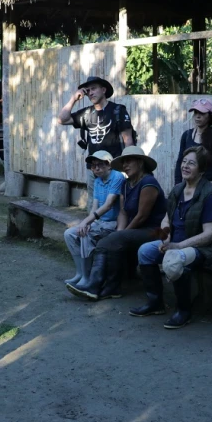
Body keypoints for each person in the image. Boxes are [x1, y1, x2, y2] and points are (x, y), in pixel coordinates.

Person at [130, 146, 212, 328]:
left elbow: (210, 234)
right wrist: (166, 238)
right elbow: (166, 219)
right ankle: (155, 303)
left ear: (201, 169)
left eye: (191, 163)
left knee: (173, 261)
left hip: (207, 247)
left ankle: (183, 310)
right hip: (177, 242)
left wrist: (178, 246)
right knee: (145, 251)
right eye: (184, 162)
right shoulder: (178, 189)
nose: (185, 166)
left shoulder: (210, 195)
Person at [66, 146, 167, 301]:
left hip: (155, 231)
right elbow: (123, 211)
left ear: (140, 162)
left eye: (129, 161)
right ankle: (111, 287)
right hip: (138, 230)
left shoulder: (149, 183)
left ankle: (94, 285)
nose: (125, 165)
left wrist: (122, 234)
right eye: (123, 162)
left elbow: (141, 216)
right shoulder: (127, 184)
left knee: (111, 240)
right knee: (112, 241)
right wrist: (121, 232)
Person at [57, 76, 134, 209]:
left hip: (114, 168)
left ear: (103, 90)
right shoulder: (87, 113)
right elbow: (62, 120)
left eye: (93, 89)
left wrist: (128, 168)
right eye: (87, 90)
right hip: (93, 169)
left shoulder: (118, 111)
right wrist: (73, 99)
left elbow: (128, 140)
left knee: (117, 205)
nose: (90, 93)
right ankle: (92, 227)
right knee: (93, 204)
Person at [62, 150, 125, 288]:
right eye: (93, 165)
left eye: (100, 165)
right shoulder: (97, 180)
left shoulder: (117, 177)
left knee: (85, 234)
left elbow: (108, 205)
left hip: (113, 223)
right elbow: (94, 206)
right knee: (69, 234)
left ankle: (87, 277)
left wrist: (86, 223)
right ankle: (79, 273)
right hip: (100, 222)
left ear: (109, 165)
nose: (96, 168)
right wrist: (90, 222)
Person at [173, 99, 212, 191]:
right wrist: (178, 185)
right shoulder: (187, 135)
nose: (197, 116)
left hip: (209, 187)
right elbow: (180, 161)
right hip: (188, 186)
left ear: (210, 116)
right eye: (196, 112)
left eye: (202, 113)